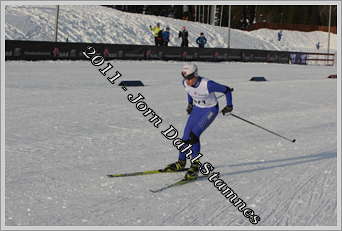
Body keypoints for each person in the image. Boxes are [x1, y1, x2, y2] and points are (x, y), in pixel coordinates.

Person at [164, 64, 234, 180]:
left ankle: (195, 166)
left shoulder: (207, 84)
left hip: (210, 110)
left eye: (191, 78)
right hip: (197, 109)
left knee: (194, 136)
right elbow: (189, 91)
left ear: (196, 74)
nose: (188, 81)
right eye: (186, 78)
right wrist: (190, 104)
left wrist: (229, 106)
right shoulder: (185, 83)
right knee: (185, 137)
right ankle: (181, 162)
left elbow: (226, 90)